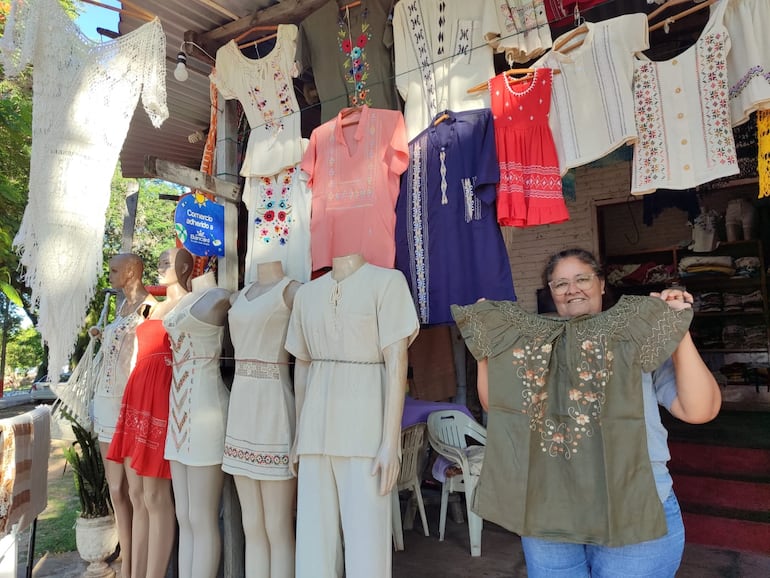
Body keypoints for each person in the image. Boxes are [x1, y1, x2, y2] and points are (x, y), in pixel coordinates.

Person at [451, 248, 721, 578]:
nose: (572, 289)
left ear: (602, 284)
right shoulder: (532, 345)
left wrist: (675, 330)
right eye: (560, 283)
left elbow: (700, 411)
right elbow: (499, 406)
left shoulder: (635, 337)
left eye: (582, 279)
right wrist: (487, 343)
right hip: (549, 503)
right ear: (550, 291)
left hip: (632, 501)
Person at [285, 253, 419, 578]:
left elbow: (396, 361)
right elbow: (302, 366)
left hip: (366, 431)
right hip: (315, 432)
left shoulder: (388, 283)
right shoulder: (306, 294)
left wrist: (391, 442)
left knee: (367, 547)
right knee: (312, 548)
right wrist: (299, 437)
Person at [107, 247, 191, 578]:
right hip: (136, 396)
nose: (161, 266)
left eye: (168, 262)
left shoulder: (191, 302)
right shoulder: (152, 307)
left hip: (162, 397)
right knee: (139, 493)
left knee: (156, 495)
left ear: (186, 267)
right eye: (159, 261)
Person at [223, 261, 300, 578]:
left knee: (277, 524)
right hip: (240, 407)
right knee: (251, 523)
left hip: (273, 407)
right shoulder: (236, 297)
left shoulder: (293, 291)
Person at [163, 268, 231, 578]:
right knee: (184, 515)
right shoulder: (183, 300)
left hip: (206, 411)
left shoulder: (218, 297)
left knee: (202, 516)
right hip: (178, 417)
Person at [91, 253, 155, 578]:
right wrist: (103, 336)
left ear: (131, 271)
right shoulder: (120, 308)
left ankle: (136, 567)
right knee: (116, 489)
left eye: (115, 269)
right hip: (104, 402)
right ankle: (126, 562)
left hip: (128, 404)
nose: (111, 274)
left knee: (136, 491)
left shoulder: (149, 308)